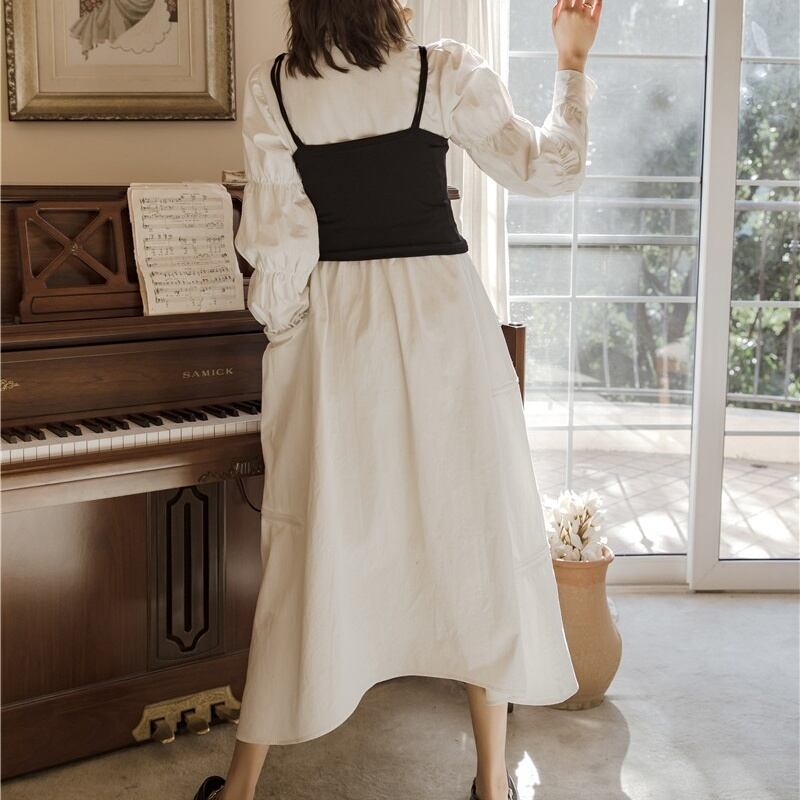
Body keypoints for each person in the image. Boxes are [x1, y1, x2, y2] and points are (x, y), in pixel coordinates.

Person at [194, 1, 600, 799]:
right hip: (446, 332)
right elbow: (549, 170)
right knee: (475, 541)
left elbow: (279, 256)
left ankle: (239, 790)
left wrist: (298, 349)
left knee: (309, 551)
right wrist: (573, 63)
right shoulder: (440, 72)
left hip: (337, 340)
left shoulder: (274, 90)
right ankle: (492, 783)